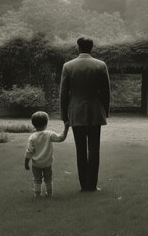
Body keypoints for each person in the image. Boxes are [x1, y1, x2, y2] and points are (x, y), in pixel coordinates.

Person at [60, 36, 111, 192]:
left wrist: (64, 116)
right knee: (94, 150)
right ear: (92, 47)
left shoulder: (68, 66)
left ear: (78, 47)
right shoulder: (100, 65)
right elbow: (106, 92)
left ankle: (84, 185)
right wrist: (105, 111)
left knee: (80, 150)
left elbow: (63, 93)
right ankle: (92, 185)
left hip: (76, 111)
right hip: (95, 111)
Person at [24, 111, 68, 198]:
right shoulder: (49, 134)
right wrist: (66, 128)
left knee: (37, 179)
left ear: (33, 124)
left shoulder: (32, 137)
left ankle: (37, 194)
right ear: (46, 123)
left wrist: (26, 163)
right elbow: (61, 138)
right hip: (47, 163)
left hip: (36, 164)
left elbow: (29, 151)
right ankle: (49, 194)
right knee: (48, 179)